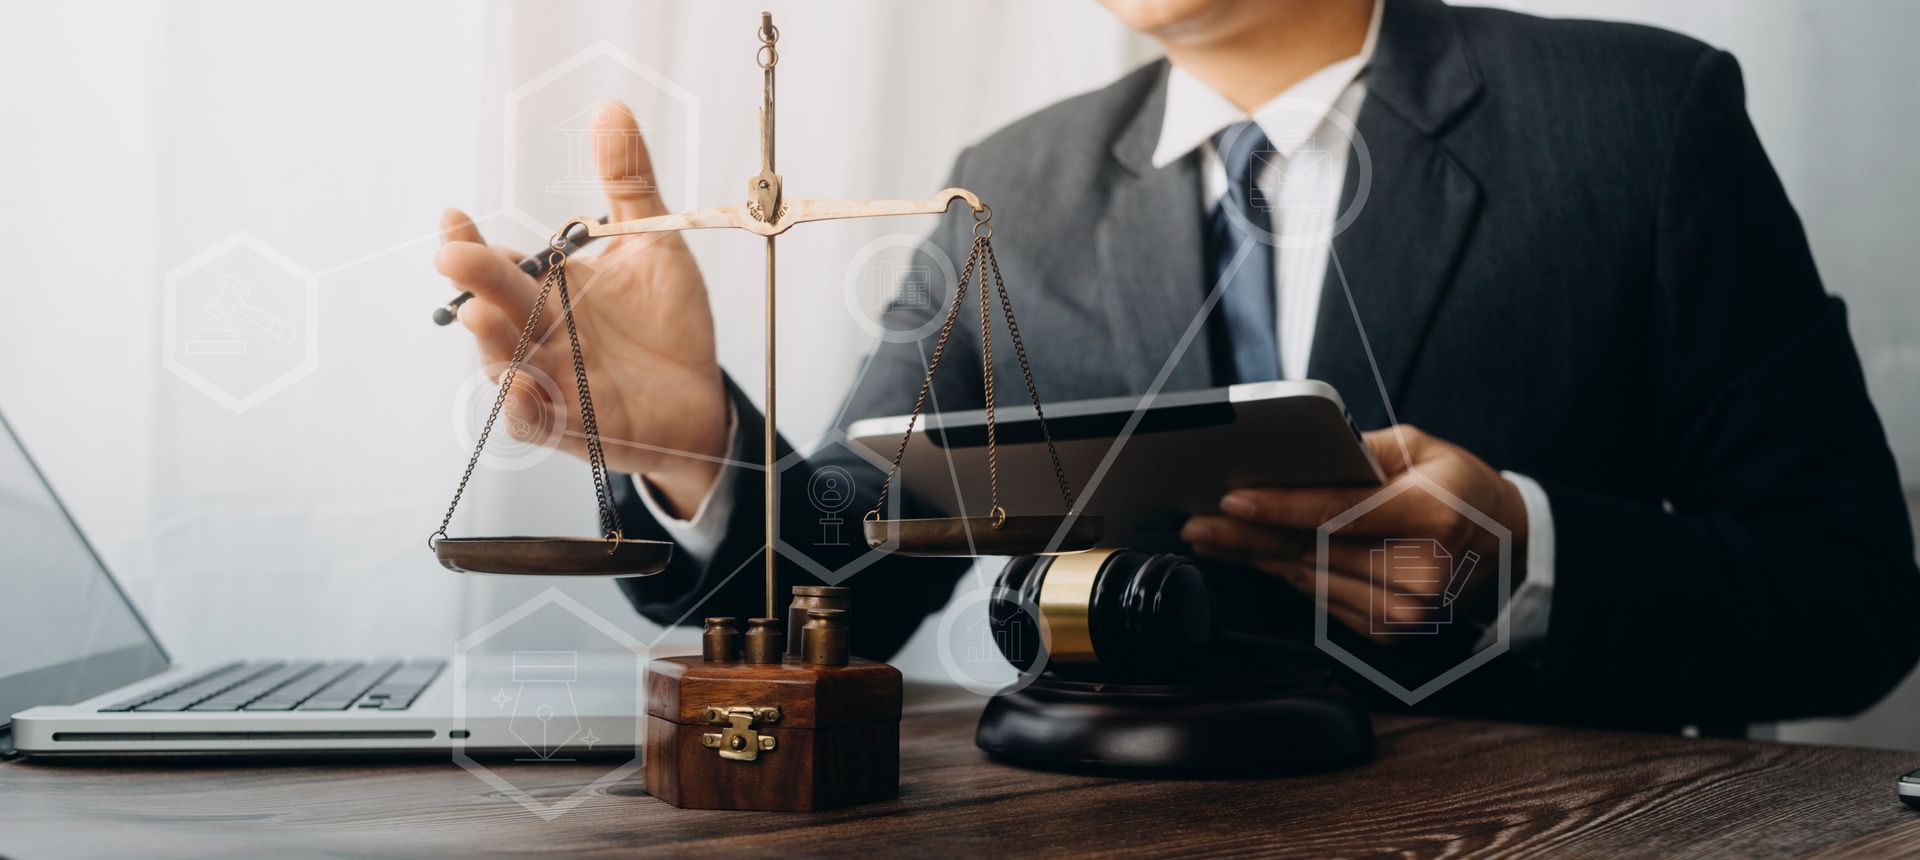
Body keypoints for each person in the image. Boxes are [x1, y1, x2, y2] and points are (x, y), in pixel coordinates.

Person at [435, 0, 1920, 729]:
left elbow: (1851, 601)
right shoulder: (1002, 188)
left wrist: (1526, 559)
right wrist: (693, 446)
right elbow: (855, 572)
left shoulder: (1644, 123)